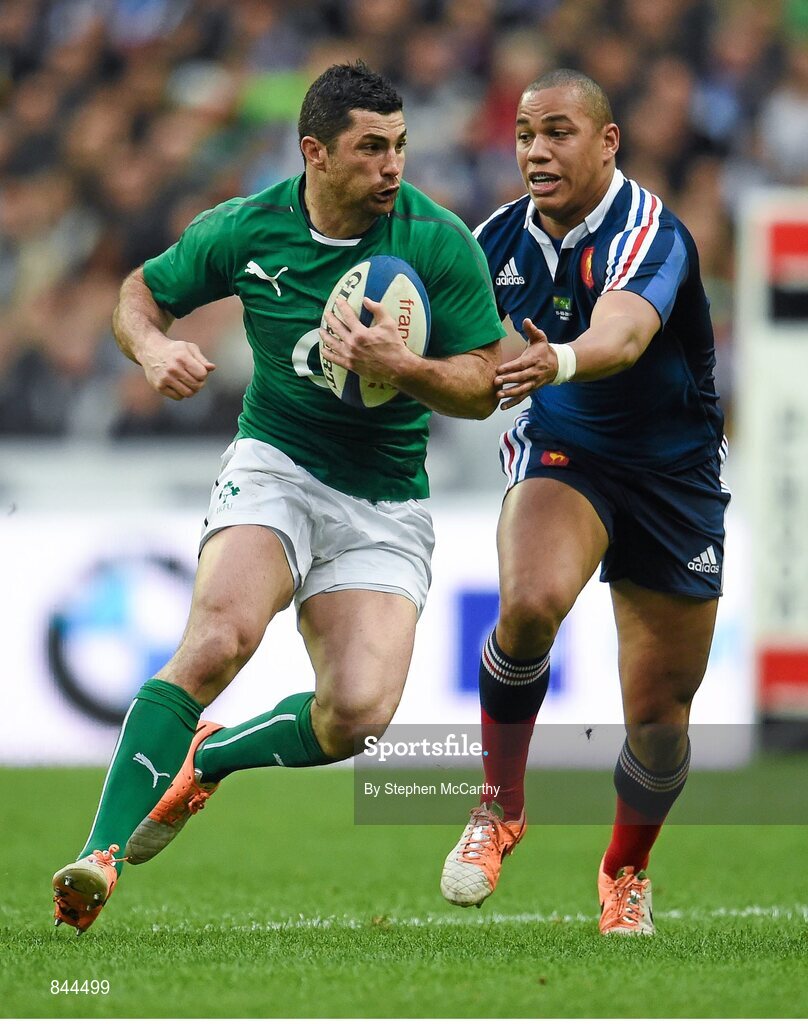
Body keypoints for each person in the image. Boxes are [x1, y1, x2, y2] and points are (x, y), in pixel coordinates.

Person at [51, 60, 505, 934]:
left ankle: (211, 757)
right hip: (276, 467)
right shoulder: (248, 228)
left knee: (359, 717)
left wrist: (403, 368)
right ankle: (98, 858)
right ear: (315, 154)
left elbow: (483, 385)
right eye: (371, 148)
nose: (393, 166)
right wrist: (150, 353)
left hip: (385, 501)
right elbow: (139, 295)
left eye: (401, 145)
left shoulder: (438, 240)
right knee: (219, 637)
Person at [439, 69, 728, 936]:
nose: (535, 150)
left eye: (557, 132)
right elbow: (467, 364)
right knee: (528, 604)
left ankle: (625, 870)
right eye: (525, 133)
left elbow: (625, 333)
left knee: (660, 715)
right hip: (565, 452)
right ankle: (498, 808)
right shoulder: (491, 242)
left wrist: (554, 360)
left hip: (674, 477)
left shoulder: (651, 231)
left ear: (607, 143)